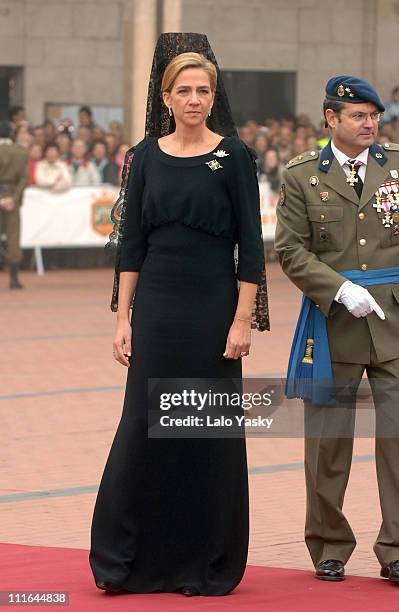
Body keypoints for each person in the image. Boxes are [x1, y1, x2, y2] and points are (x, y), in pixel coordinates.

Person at [89, 32, 269, 598]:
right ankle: (131, 560)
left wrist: (242, 322)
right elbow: (131, 242)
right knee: (144, 427)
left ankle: (204, 559)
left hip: (213, 307)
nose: (194, 99)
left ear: (214, 97)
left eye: (203, 90)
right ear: (165, 97)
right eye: (184, 90)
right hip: (158, 308)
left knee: (204, 431)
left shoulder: (234, 156)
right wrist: (124, 319)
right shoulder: (143, 157)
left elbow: (252, 247)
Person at [275, 75, 399, 584]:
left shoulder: (396, 166)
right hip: (334, 322)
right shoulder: (303, 175)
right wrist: (340, 290)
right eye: (358, 116)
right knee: (328, 443)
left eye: (374, 116)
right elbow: (290, 249)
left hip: (394, 322)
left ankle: (395, 549)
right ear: (331, 119)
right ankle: (330, 544)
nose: (369, 124)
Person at [0, 120, 28, 289]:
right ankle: (14, 278)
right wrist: (14, 198)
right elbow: (24, 179)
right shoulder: (21, 152)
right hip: (11, 195)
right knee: (13, 236)